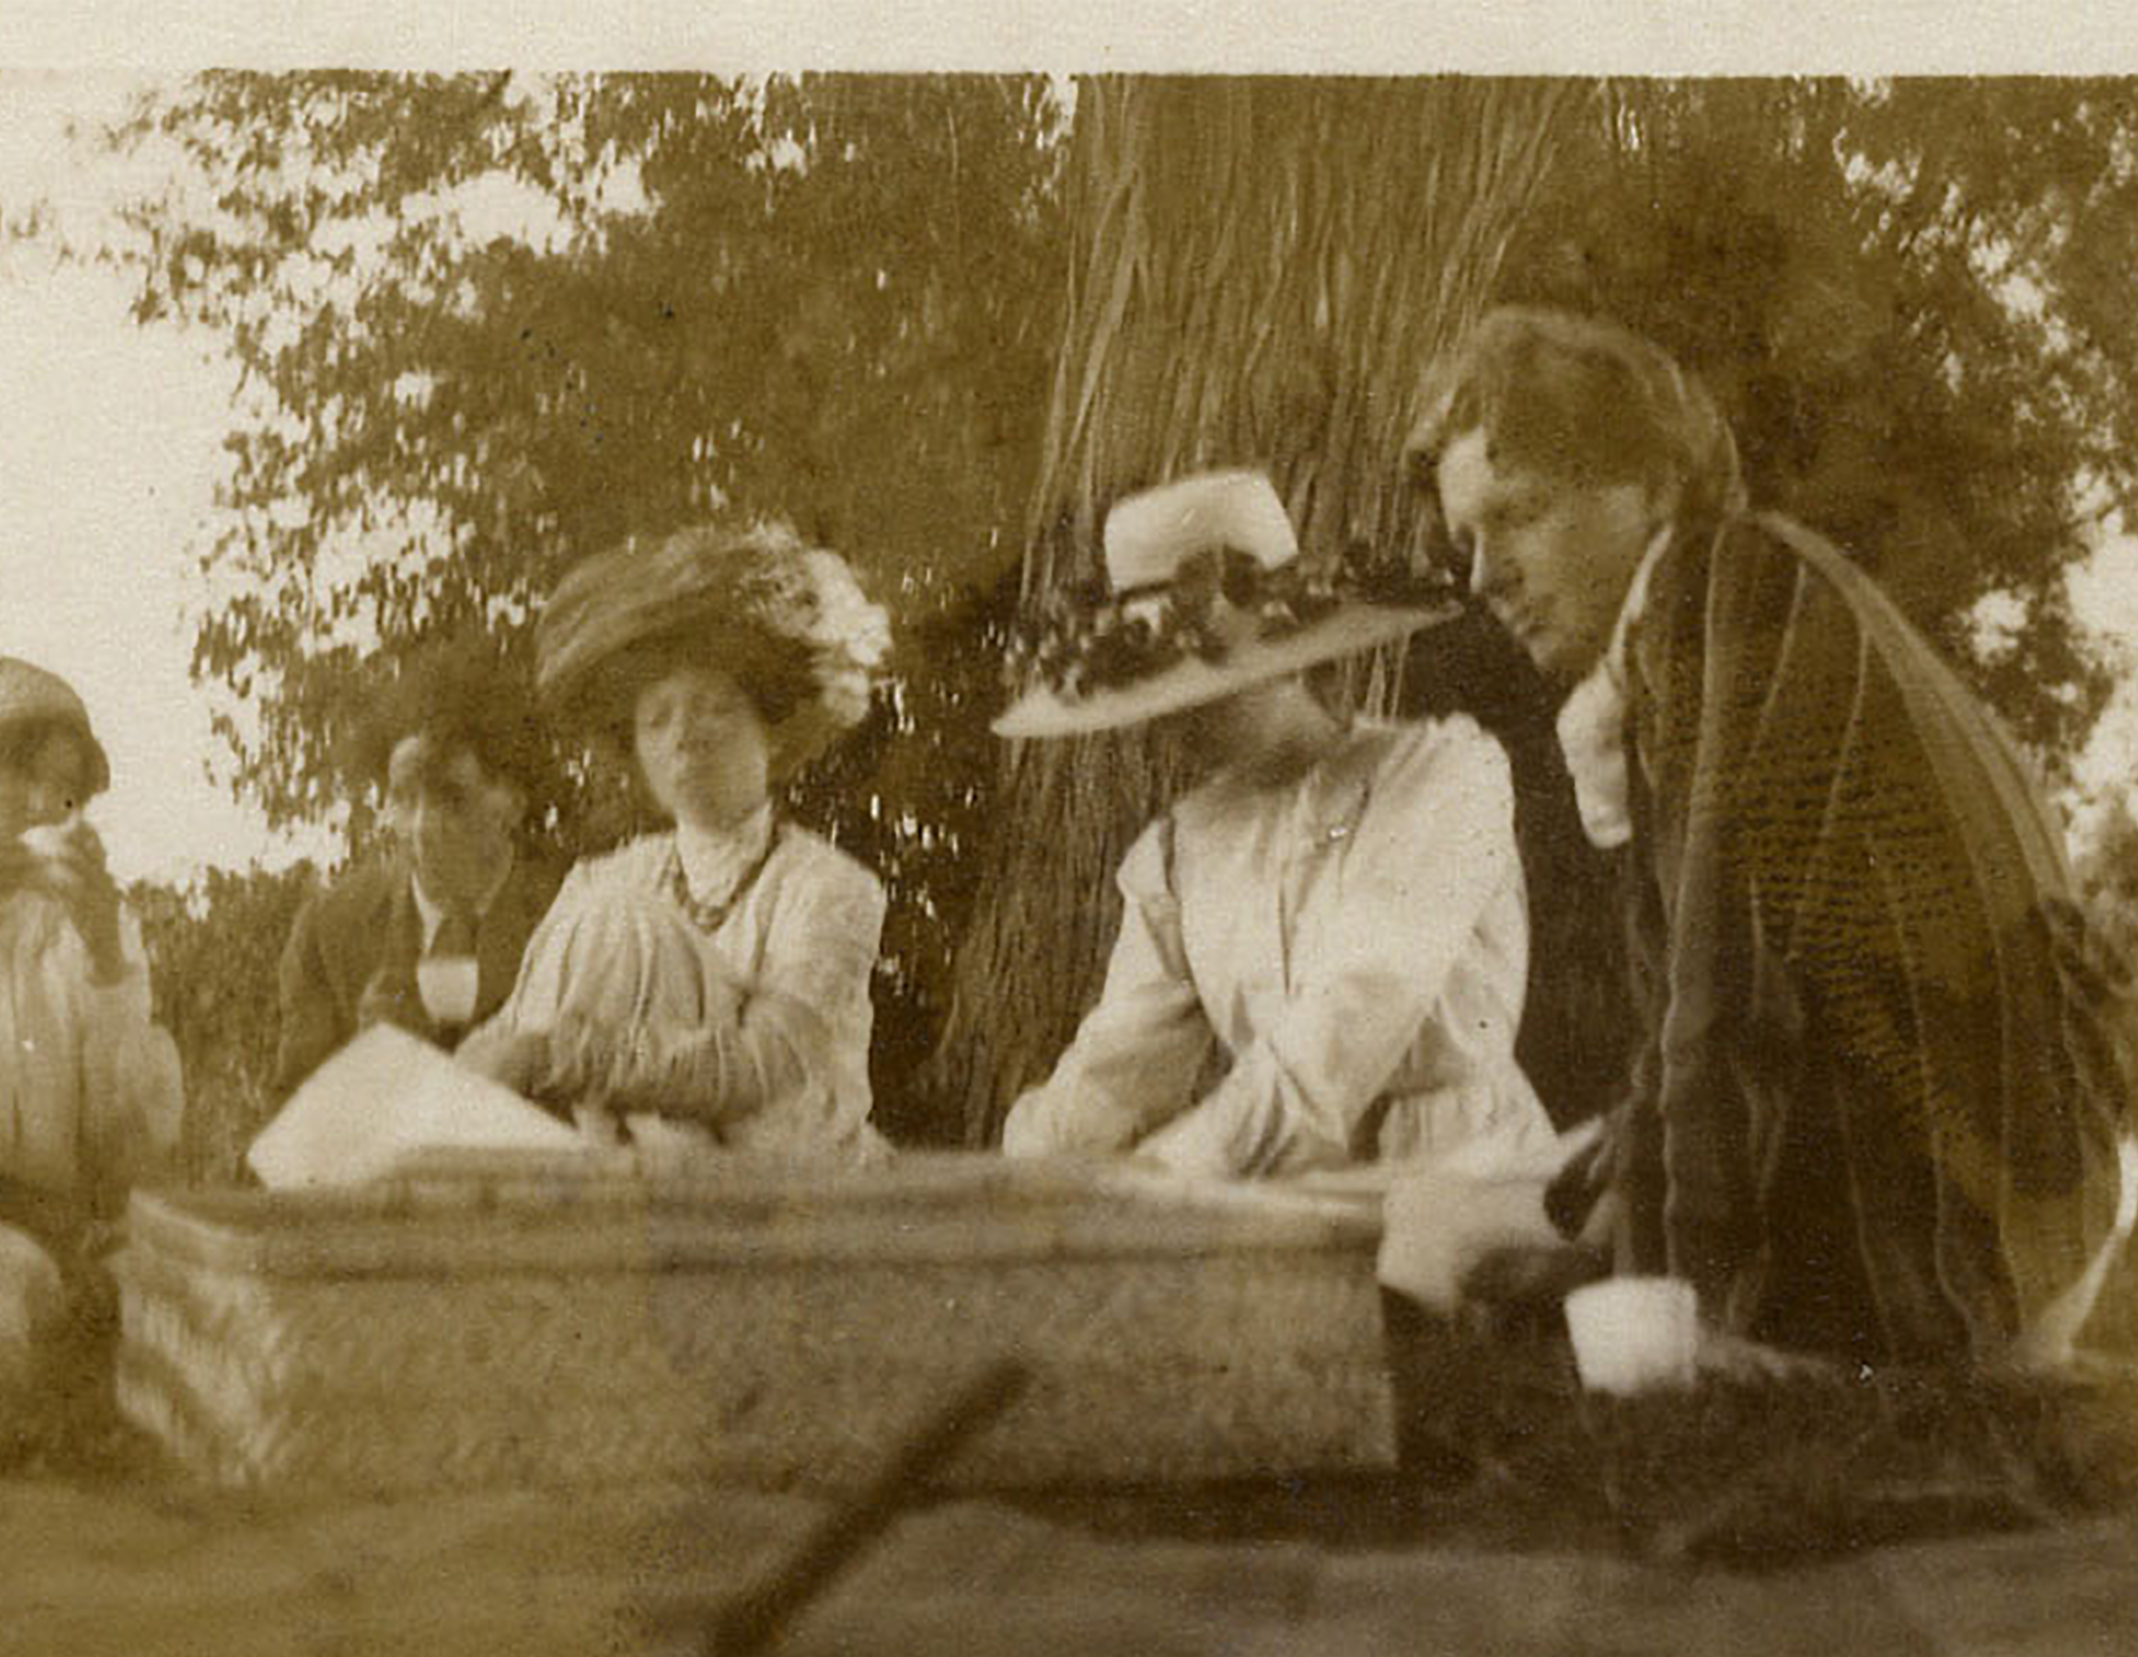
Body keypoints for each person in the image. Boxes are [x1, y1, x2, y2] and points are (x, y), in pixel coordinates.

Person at [1404, 306, 2120, 1368]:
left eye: (1517, 514)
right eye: (1467, 538)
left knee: (1425, 1239)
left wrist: (1651, 1298)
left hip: (1941, 1259)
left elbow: (1721, 1002)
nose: (1480, 576)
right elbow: (1699, 1026)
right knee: (1471, 1206)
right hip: (2008, 1230)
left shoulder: (1724, 591)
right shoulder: (1721, 609)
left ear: (1649, 483)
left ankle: (1745, 1350)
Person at [995, 468, 1558, 1188]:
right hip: (1293, 1198)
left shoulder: (1440, 776)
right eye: (1155, 696)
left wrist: (1167, 1175)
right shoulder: (1179, 851)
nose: (1174, 721)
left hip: (1469, 1181)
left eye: (1206, 689)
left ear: (1293, 663)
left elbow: (1351, 1015)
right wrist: (1023, 1179)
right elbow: (1117, 1072)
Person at [457, 524, 890, 1157]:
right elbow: (512, 1033)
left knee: (628, 923)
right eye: (656, 719)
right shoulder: (603, 880)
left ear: (772, 732)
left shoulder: (829, 888)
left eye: (713, 706)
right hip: (645, 1179)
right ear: (636, 754)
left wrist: (557, 1056)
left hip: (794, 1186)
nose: (684, 735)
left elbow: (761, 1072)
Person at [0, 656, 182, 1468]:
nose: (45, 809)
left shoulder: (90, 928)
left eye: (67, 792)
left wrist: (108, 959)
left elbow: (134, 1152)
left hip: (60, 1232)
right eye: (20, 777)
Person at [273, 651, 566, 1101]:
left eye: (450, 798)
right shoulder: (330, 928)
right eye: (404, 798)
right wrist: (363, 1062)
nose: (422, 825)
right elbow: (290, 1126)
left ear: (511, 801)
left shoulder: (569, 920)